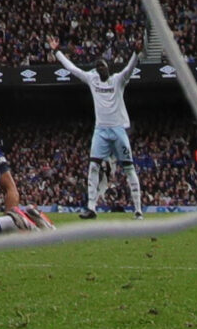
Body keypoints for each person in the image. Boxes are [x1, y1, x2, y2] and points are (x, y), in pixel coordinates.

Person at [50, 36, 142, 218]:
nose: (100, 69)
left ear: (108, 67)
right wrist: (57, 52)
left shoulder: (117, 81)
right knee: (93, 166)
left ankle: (138, 209)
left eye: (102, 66)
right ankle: (91, 207)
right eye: (97, 66)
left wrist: (136, 54)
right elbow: (72, 69)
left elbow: (129, 69)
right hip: (100, 130)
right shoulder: (92, 79)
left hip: (117, 129)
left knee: (129, 168)